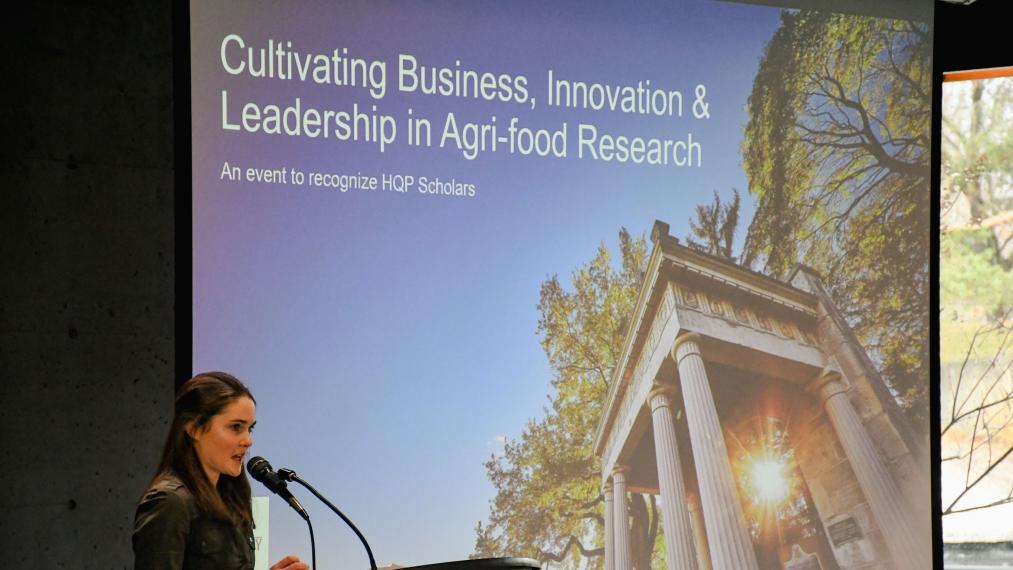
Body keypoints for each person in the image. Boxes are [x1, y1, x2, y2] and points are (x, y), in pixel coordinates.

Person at [133, 371, 309, 570]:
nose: (248, 441)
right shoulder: (170, 502)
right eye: (236, 427)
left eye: (250, 429)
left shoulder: (230, 496)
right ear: (194, 428)